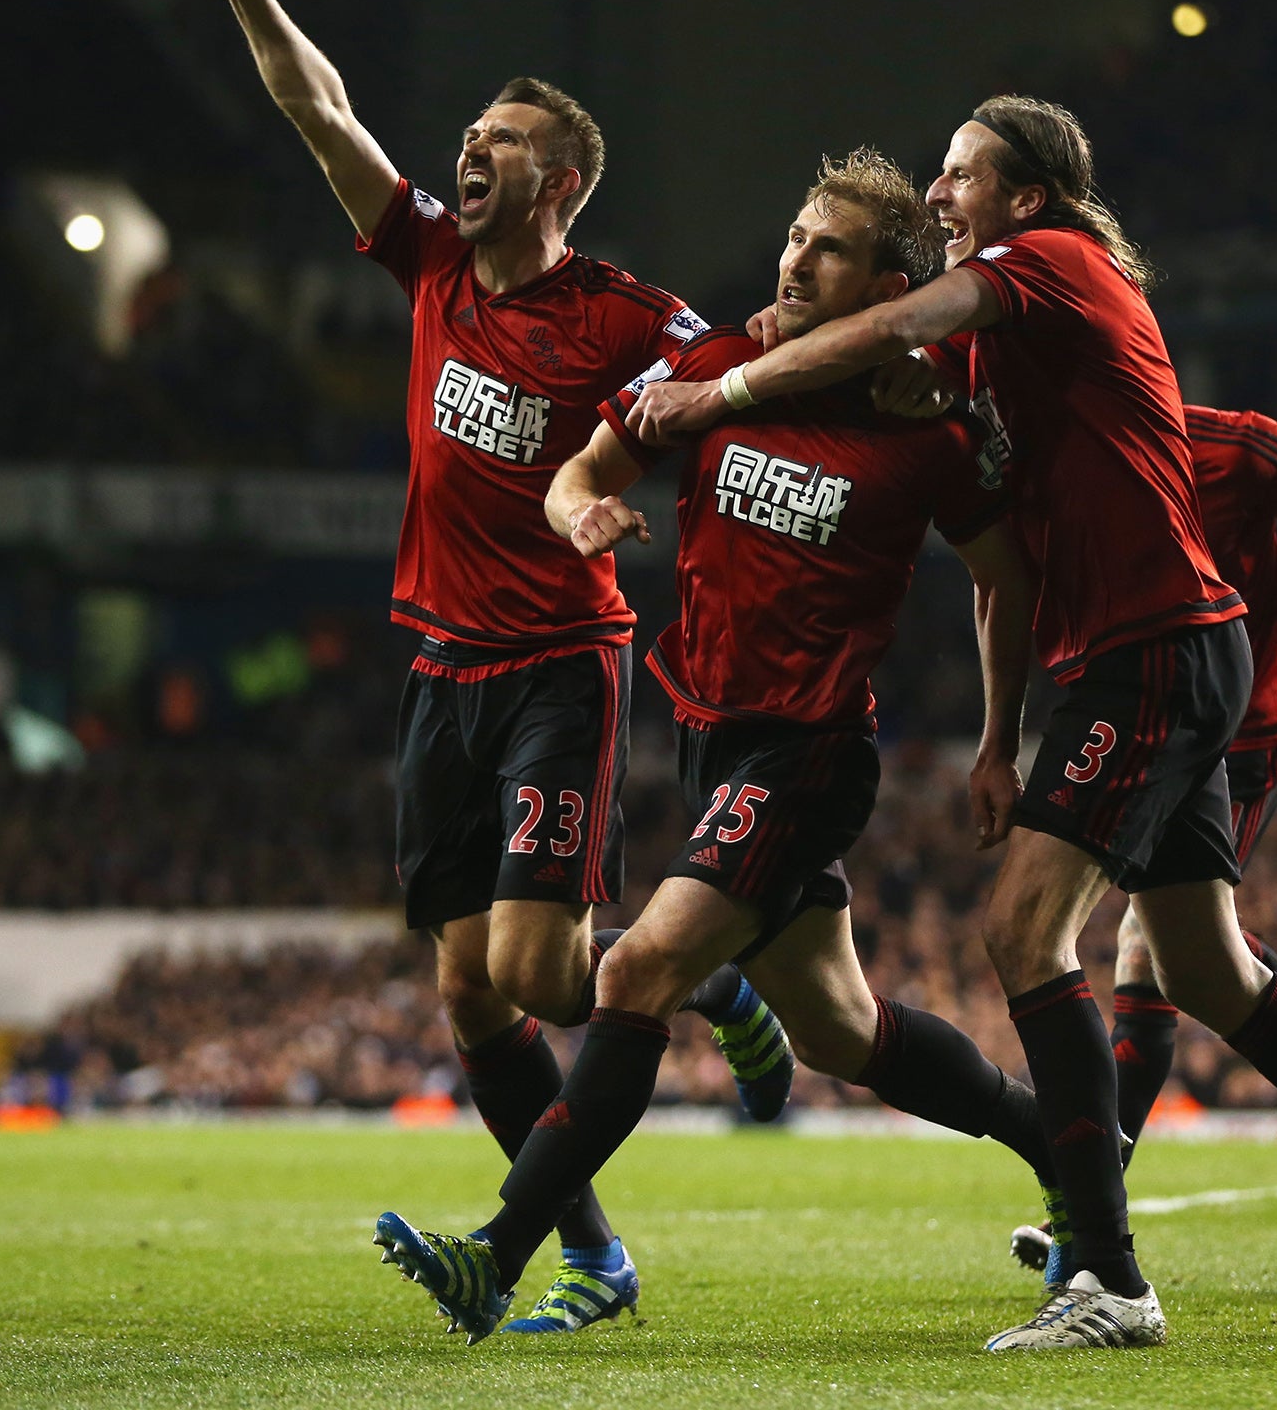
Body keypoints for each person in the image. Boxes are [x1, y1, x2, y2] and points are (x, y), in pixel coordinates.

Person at [630, 96, 1277, 1348]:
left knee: (1022, 931)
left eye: (958, 176)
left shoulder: (1049, 264)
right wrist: (998, 734)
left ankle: (1105, 1276)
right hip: (1143, 656)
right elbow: (945, 456)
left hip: (1150, 651)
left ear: (1024, 197)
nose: (937, 197)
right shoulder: (1004, 342)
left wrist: (721, 396)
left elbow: (897, 325)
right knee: (1206, 969)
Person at [179, 0, 793, 1336]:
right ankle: (594, 1253)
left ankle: (704, 980)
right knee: (472, 997)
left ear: (565, 175)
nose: (472, 148)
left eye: (504, 140)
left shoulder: (629, 317)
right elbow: (316, 108)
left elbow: (749, 371)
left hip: (557, 669)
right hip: (438, 668)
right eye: (471, 133)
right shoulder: (435, 258)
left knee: (543, 977)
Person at [373, 149, 1064, 1341]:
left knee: (636, 971)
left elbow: (1004, 582)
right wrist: (578, 511)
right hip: (706, 738)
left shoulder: (930, 424)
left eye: (828, 248)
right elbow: (582, 464)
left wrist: (1002, 736)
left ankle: (500, 1251)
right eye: (794, 236)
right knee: (843, 1030)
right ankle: (1068, 1149)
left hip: (806, 755)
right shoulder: (715, 364)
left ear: (888, 283)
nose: (794, 258)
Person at [1009, 406, 1277, 1279]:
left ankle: (1088, 1222)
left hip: (1241, 733)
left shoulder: (1240, 446)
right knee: (1176, 951)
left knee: (1149, 951)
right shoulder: (1077, 463)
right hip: (1154, 727)